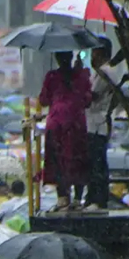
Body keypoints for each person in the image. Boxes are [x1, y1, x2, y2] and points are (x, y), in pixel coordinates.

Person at [39, 51, 92, 210]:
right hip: (76, 124)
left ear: (56, 59)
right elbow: (87, 100)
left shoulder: (52, 77)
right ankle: (77, 198)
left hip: (56, 124)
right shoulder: (81, 75)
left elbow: (43, 100)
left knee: (58, 160)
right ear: (70, 58)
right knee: (77, 158)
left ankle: (63, 197)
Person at [86, 37, 118, 211]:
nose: (92, 55)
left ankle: (99, 199)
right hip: (91, 123)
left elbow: (92, 95)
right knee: (92, 162)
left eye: (94, 51)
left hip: (98, 123)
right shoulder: (97, 72)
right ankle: (92, 197)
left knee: (98, 162)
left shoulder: (106, 71)